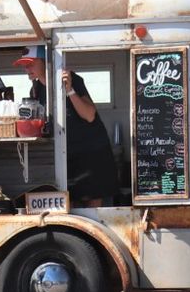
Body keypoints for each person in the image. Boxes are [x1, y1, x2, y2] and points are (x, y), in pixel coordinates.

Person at [14, 46, 118, 207]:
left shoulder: (71, 79)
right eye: (24, 64)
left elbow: (89, 115)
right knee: (71, 206)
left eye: (31, 63)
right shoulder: (36, 89)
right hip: (66, 157)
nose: (26, 68)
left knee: (94, 207)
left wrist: (69, 90)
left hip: (92, 155)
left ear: (45, 62)